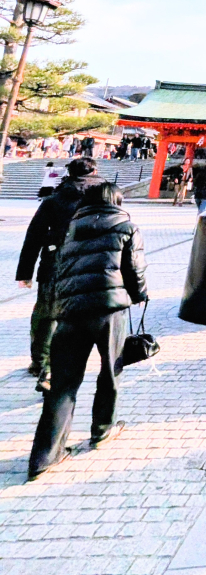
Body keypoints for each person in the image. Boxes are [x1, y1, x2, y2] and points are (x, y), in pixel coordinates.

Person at [28, 182, 147, 479]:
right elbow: (135, 270)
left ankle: (44, 457)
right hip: (108, 310)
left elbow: (60, 268)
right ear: (116, 200)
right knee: (110, 371)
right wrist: (139, 295)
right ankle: (102, 430)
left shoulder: (72, 227)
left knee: (63, 385)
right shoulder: (127, 225)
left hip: (70, 312)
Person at [17, 157, 102, 389]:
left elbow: (33, 236)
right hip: (91, 264)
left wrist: (25, 273)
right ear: (94, 171)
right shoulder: (104, 199)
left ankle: (40, 362)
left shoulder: (54, 200)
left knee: (46, 314)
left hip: (55, 262)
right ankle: (65, 365)